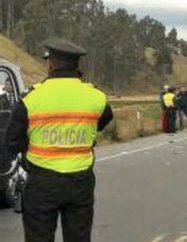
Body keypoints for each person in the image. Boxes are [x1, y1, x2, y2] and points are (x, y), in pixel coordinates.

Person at [4, 37, 113, 242]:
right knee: (79, 237)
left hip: (42, 181)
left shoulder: (32, 97)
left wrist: (29, 149)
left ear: (51, 64)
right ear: (76, 65)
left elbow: (12, 140)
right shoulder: (95, 96)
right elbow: (104, 119)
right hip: (80, 182)